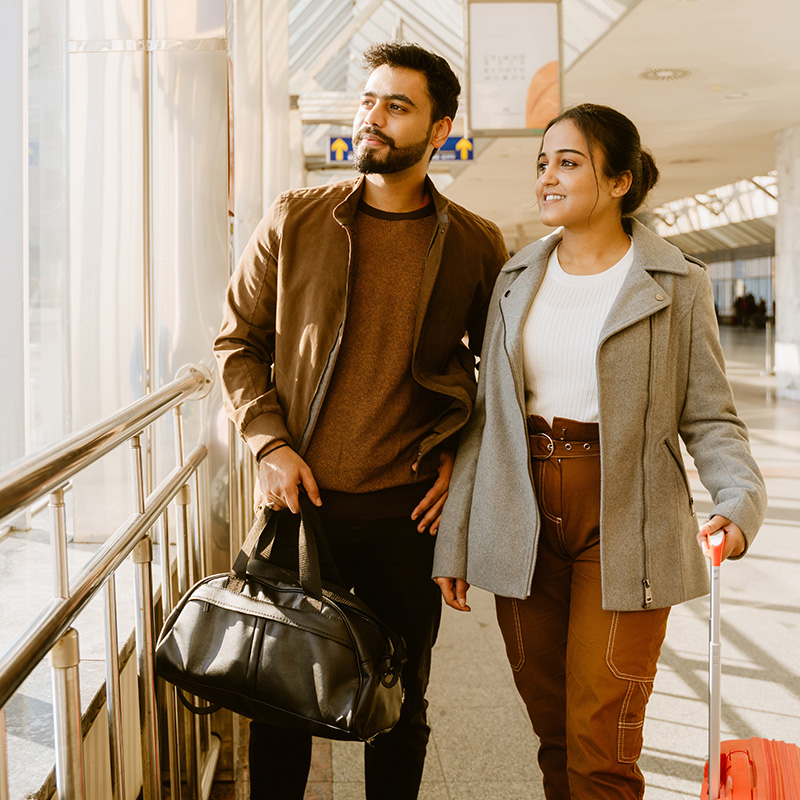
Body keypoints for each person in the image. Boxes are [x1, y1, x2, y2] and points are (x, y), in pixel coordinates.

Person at [432, 103, 766, 799]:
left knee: (601, 739)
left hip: (627, 521)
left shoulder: (676, 284)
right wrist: (456, 540)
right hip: (521, 516)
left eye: (569, 162)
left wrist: (737, 503)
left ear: (618, 182)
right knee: (554, 729)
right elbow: (488, 417)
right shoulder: (515, 280)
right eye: (543, 163)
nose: (548, 176)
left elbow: (710, 415)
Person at [214, 41, 508, 800]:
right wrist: (269, 445)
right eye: (368, 100)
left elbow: (497, 377)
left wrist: (459, 463)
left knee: (399, 703)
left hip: (405, 515)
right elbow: (236, 344)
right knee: (278, 704)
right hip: (298, 508)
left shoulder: (475, 244)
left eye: (396, 106)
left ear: (439, 130)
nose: (370, 117)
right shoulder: (296, 219)